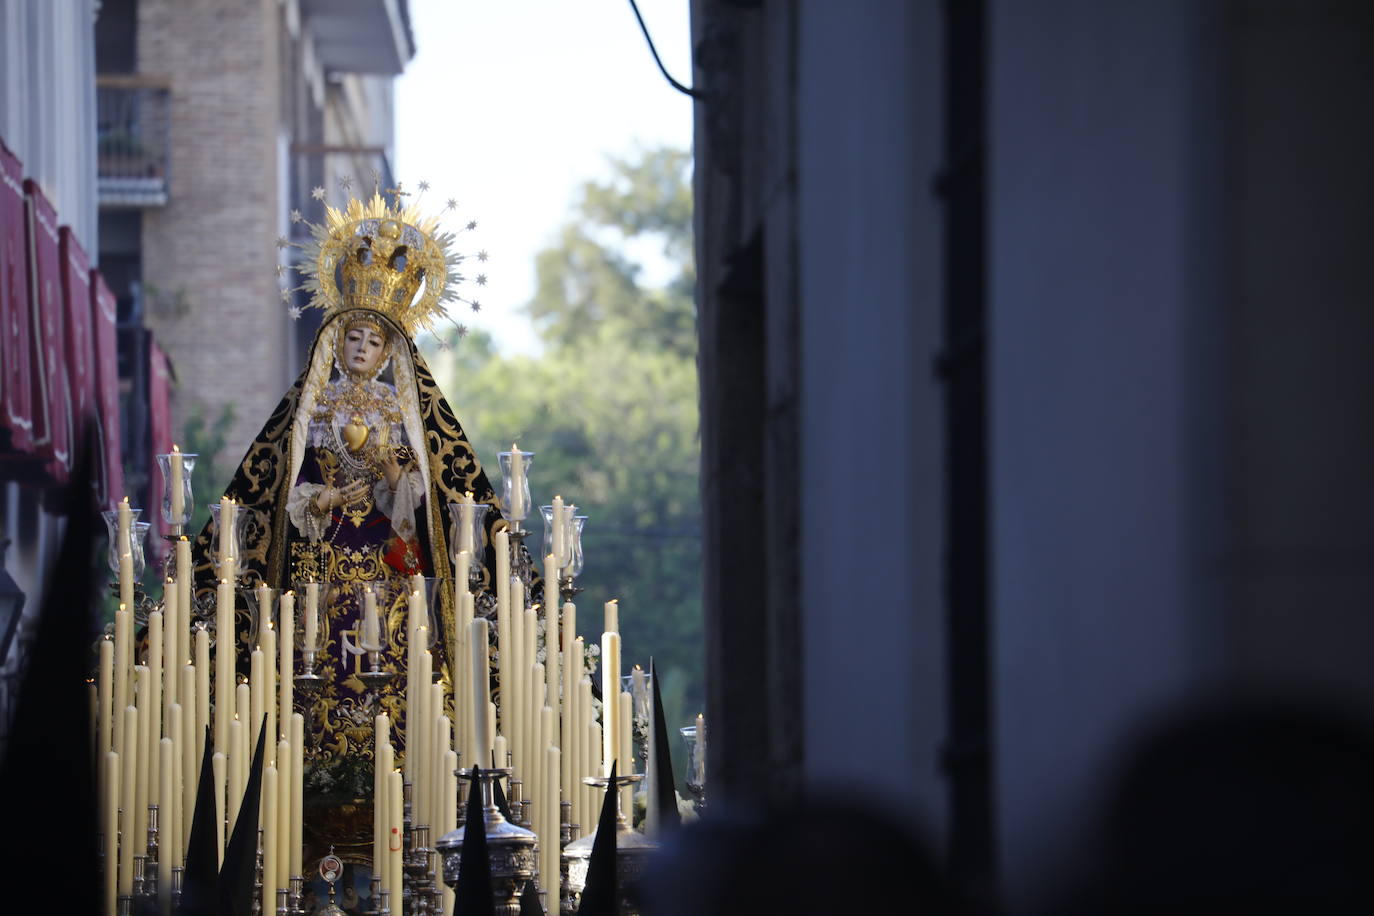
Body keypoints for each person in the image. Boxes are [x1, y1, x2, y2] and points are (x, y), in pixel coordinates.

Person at [191, 191, 523, 787]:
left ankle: (401, 763)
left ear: (390, 349)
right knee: (315, 663)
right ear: (336, 343)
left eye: (374, 341)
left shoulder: (404, 411)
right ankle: (315, 769)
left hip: (388, 565)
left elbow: (419, 495)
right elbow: (284, 491)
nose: (362, 348)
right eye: (353, 339)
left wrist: (391, 472)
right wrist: (325, 498)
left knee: (397, 660)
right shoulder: (311, 408)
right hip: (321, 565)